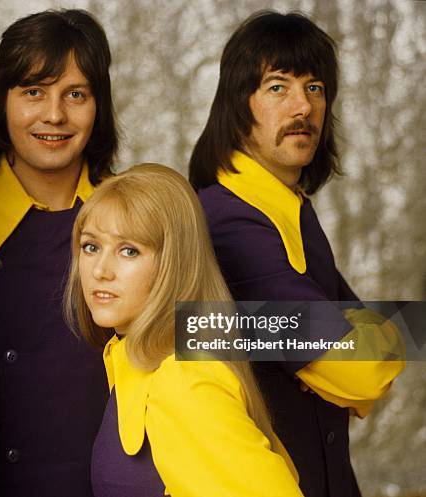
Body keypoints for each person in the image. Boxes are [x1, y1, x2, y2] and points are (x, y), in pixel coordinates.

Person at [189, 11, 405, 497]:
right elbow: (360, 370)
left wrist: (362, 341)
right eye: (277, 87)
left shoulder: (289, 208)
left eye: (315, 88)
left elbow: (382, 345)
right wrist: (366, 339)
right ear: (236, 103)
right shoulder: (230, 224)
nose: (302, 107)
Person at [0, 9, 118, 497]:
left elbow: (210, 331)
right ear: (1, 100)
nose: (54, 115)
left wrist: (337, 336)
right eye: (33, 91)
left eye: (76, 94)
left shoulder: (138, 217)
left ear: (99, 106)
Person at [63, 163, 303, 496]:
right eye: (91, 246)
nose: (100, 270)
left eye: (128, 250)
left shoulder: (183, 381)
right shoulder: (133, 363)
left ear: (175, 263)